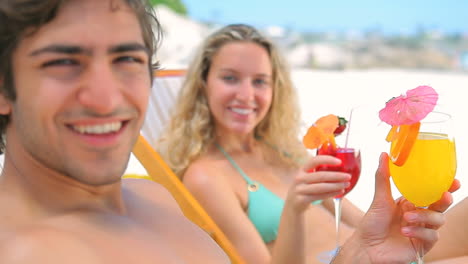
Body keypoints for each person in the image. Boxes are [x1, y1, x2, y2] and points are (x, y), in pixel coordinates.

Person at [159, 24, 460, 264]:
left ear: (275, 89)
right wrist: (294, 208)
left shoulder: (282, 151)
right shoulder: (206, 175)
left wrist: (398, 217)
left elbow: (357, 220)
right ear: (203, 84)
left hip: (379, 253)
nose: (247, 94)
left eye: (260, 81)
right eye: (230, 78)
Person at [0, 0, 229, 263]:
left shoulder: (154, 196)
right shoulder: (23, 251)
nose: (106, 100)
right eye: (63, 62)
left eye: (127, 59)